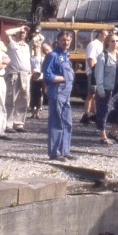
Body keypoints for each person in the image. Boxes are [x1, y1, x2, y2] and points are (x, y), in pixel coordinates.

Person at [43, 29, 76, 159]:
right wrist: (62, 78)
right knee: (56, 122)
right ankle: (54, 152)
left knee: (67, 122)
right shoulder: (53, 55)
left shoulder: (66, 56)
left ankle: (65, 151)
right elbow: (47, 75)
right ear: (58, 41)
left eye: (68, 40)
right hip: (58, 91)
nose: (65, 42)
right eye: (63, 40)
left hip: (66, 93)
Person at [93, 34, 118, 145]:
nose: (115, 43)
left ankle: (113, 133)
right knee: (104, 112)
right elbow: (98, 74)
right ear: (107, 42)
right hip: (107, 88)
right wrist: (100, 89)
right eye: (113, 41)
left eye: (117, 41)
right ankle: (103, 136)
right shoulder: (103, 56)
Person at [5, 26, 34, 133]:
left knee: (23, 100)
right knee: (10, 99)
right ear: (16, 33)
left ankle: (19, 123)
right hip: (14, 74)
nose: (22, 34)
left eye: (24, 32)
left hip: (25, 75)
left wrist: (30, 73)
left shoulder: (26, 46)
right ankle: (8, 124)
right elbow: (6, 32)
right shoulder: (12, 44)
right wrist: (19, 28)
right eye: (20, 32)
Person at [81, 29, 107, 124]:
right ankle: (86, 115)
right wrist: (94, 71)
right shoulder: (93, 44)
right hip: (94, 72)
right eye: (105, 35)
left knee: (95, 94)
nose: (106, 37)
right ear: (100, 34)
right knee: (91, 93)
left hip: (100, 71)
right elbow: (90, 58)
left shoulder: (101, 45)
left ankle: (95, 114)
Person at [28, 30, 47, 119]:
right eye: (35, 48)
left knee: (40, 94)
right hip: (32, 77)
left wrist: (38, 34)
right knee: (32, 94)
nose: (36, 49)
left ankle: (38, 111)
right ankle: (33, 112)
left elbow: (43, 67)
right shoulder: (31, 57)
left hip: (40, 77)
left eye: (37, 48)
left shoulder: (42, 58)